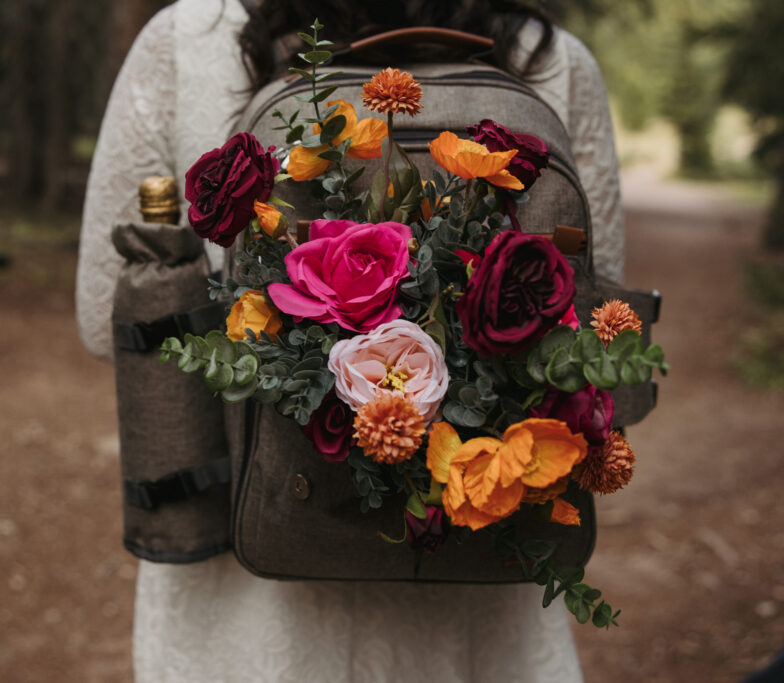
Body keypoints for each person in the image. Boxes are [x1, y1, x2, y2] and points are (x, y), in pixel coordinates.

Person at [76, 0, 625, 680]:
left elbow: (108, 317)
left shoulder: (188, 35)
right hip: (483, 553)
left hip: (248, 593)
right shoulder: (553, 59)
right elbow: (595, 316)